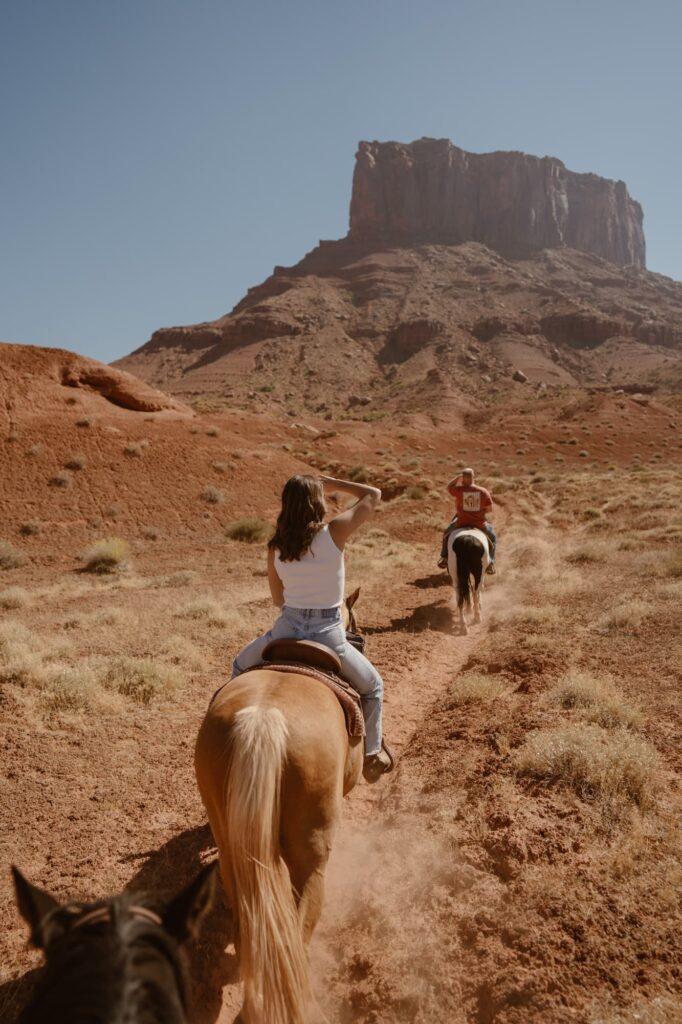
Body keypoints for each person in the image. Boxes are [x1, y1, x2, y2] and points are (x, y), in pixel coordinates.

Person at [231, 473, 393, 781]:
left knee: (238, 668)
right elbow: (373, 494)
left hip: (286, 629)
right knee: (373, 687)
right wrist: (334, 482)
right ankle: (371, 754)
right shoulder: (334, 533)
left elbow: (279, 600)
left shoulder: (276, 547)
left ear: (286, 505)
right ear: (316, 502)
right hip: (329, 634)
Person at [438, 467, 497, 573]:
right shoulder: (483, 491)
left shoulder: (459, 490)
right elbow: (489, 509)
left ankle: (444, 557)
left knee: (446, 534)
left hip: (461, 523)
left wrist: (458, 477)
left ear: (463, 479)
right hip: (479, 524)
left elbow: (448, 487)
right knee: (493, 538)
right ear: (473, 478)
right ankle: (491, 563)